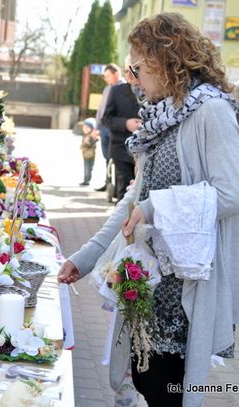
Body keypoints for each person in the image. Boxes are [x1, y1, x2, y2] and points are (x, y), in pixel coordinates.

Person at [59, 13, 239, 407]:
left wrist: (156, 205)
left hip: (186, 293)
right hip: (152, 287)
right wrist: (86, 257)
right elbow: (133, 201)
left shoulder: (211, 111)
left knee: (168, 389)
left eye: (137, 67)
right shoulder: (163, 115)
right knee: (147, 381)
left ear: (165, 59)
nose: (133, 79)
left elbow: (232, 192)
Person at [102, 58, 141, 201]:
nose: (129, 74)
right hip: (121, 149)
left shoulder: (149, 90)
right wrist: (126, 123)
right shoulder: (116, 91)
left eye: (134, 70)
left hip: (143, 151)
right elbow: (106, 119)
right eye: (126, 70)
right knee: (124, 194)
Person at [95, 64, 125, 192]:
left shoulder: (124, 87)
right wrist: (97, 126)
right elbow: (101, 108)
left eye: (108, 76)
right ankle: (108, 183)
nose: (106, 78)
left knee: (115, 157)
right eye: (105, 76)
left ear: (116, 74)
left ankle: (117, 187)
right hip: (103, 127)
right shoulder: (107, 89)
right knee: (106, 156)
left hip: (114, 127)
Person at [79, 118, 99, 186]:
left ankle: (87, 181)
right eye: (84, 127)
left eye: (87, 127)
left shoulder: (91, 136)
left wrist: (88, 142)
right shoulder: (85, 136)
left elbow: (92, 143)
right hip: (85, 155)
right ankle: (86, 180)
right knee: (86, 168)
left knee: (88, 169)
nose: (85, 129)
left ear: (91, 129)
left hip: (90, 156)